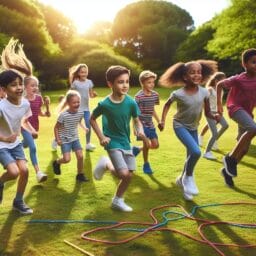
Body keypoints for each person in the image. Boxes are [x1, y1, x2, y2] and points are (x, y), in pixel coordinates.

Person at [159, 60, 219, 200]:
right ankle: (188, 177)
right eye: (193, 72)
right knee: (196, 152)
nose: (197, 75)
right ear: (185, 76)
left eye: (199, 72)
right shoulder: (178, 94)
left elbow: (207, 112)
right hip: (180, 125)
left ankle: (182, 181)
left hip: (194, 127)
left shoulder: (204, 92)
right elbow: (167, 105)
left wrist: (214, 116)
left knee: (190, 156)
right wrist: (162, 120)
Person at [90, 65, 147, 212]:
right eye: (120, 82)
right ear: (110, 84)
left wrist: (139, 130)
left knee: (129, 174)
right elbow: (92, 119)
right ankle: (117, 198)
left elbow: (136, 120)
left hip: (125, 141)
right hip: (111, 141)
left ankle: (116, 198)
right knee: (123, 174)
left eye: (127, 81)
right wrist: (102, 137)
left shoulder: (131, 102)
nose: (125, 85)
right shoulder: (105, 104)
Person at [0, 38, 34, 214]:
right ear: (4, 90)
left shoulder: (25, 104)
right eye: (13, 85)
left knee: (25, 171)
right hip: (1, 145)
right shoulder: (1, 106)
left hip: (15, 143)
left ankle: (18, 201)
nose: (19, 88)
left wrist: (29, 131)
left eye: (20, 84)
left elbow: (19, 121)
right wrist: (5, 137)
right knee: (13, 172)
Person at [217, 48, 256, 187]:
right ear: (244, 64)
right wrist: (219, 106)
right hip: (235, 108)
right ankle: (230, 159)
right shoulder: (239, 79)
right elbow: (219, 85)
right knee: (253, 128)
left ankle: (227, 171)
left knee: (244, 149)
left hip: (247, 113)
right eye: (253, 62)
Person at [52, 90, 89, 182]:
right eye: (74, 102)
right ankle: (57, 162)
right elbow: (56, 128)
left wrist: (84, 128)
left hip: (75, 138)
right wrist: (58, 139)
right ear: (68, 103)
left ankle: (80, 175)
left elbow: (79, 121)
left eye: (78, 102)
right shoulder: (63, 115)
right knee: (67, 159)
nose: (77, 104)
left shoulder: (81, 112)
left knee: (80, 156)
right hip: (64, 139)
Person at [21, 76, 51, 183]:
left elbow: (40, 113)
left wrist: (47, 109)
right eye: (32, 85)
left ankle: (16, 147)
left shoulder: (38, 98)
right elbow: (22, 118)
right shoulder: (22, 101)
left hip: (35, 127)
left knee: (25, 144)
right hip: (25, 127)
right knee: (33, 148)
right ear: (25, 87)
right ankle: (38, 173)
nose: (35, 87)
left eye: (36, 85)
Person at [134, 70, 160, 174]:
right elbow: (134, 113)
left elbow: (152, 109)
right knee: (147, 144)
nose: (152, 84)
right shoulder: (138, 96)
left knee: (156, 145)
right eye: (149, 82)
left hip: (150, 124)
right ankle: (146, 165)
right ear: (142, 83)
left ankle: (136, 150)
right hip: (140, 124)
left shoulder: (155, 95)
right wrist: (134, 128)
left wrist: (159, 121)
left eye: (153, 82)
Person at [200, 72, 229, 160]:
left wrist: (220, 112)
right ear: (216, 80)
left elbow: (219, 103)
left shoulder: (221, 90)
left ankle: (213, 142)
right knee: (214, 133)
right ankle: (207, 152)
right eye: (222, 80)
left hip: (217, 112)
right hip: (210, 113)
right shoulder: (210, 89)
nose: (224, 82)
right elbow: (203, 102)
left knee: (225, 125)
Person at [69, 64, 97, 151]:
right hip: (76, 109)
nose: (84, 74)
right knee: (71, 126)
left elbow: (91, 95)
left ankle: (88, 144)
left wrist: (94, 95)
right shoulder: (75, 83)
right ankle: (58, 141)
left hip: (86, 109)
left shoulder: (89, 82)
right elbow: (71, 94)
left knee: (88, 125)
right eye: (82, 72)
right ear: (78, 73)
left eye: (85, 72)